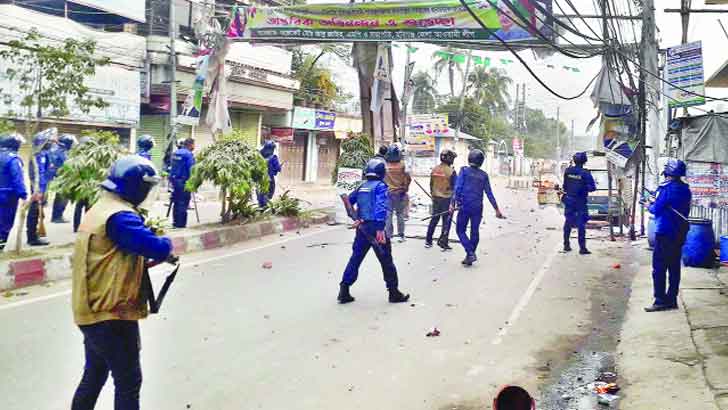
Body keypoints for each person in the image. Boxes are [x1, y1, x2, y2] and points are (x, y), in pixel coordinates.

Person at [71, 155, 174, 410]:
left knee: (95, 374)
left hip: (91, 308)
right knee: (128, 382)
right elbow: (154, 246)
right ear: (136, 186)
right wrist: (166, 245)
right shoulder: (120, 217)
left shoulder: (101, 207)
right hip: (111, 314)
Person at [338, 158, 410, 304]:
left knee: (355, 258)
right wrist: (379, 229)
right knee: (387, 261)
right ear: (382, 172)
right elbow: (381, 207)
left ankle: (344, 289)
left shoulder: (361, 186)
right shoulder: (381, 186)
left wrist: (356, 217)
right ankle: (393, 292)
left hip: (362, 228)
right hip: (376, 228)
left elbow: (348, 202)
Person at [644, 159, 692, 312]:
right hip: (680, 232)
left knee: (659, 267)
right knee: (674, 267)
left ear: (668, 173)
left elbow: (656, 209)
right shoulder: (686, 189)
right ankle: (672, 299)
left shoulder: (665, 188)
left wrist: (648, 205)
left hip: (665, 232)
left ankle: (660, 300)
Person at [453, 149, 505, 266]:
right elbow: (489, 193)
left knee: (460, 230)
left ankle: (470, 253)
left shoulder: (464, 171)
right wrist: (497, 209)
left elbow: (457, 188)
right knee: (474, 231)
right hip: (477, 207)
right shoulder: (484, 175)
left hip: (464, 206)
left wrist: (453, 204)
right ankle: (469, 256)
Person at [561, 152, 596, 254]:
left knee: (568, 222)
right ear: (584, 161)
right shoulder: (585, 173)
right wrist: (583, 188)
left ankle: (566, 245)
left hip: (569, 199)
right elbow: (592, 188)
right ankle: (582, 248)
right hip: (580, 201)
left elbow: (565, 186)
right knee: (581, 224)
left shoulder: (568, 171)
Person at [27, 128, 56, 246]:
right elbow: (38, 174)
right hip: (38, 188)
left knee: (38, 212)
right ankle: (32, 238)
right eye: (48, 141)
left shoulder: (42, 154)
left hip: (41, 188)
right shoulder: (38, 155)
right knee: (34, 212)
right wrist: (38, 190)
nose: (50, 143)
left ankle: (34, 235)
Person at [425, 149, 457, 250]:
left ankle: (428, 240)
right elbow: (455, 187)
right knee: (446, 221)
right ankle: (443, 241)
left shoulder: (434, 169)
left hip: (435, 198)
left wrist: (433, 195)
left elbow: (431, 184)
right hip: (447, 199)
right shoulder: (451, 172)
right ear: (449, 159)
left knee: (434, 219)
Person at [0, 133, 28, 250]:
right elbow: (17, 178)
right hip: (7, 196)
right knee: (5, 223)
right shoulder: (13, 159)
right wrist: (23, 194)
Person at [383, 144, 411, 242]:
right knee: (400, 214)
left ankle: (388, 235)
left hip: (388, 193)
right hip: (400, 193)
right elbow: (407, 178)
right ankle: (401, 234)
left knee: (388, 214)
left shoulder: (385, 166)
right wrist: (405, 189)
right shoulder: (402, 165)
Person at [169, 138, 195, 229]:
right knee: (183, 203)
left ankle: (175, 222)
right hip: (183, 182)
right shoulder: (188, 155)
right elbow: (192, 169)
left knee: (176, 201)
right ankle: (181, 224)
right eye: (193, 145)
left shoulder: (176, 152)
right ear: (190, 145)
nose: (194, 147)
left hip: (174, 180)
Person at [50, 133, 77, 223]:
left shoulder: (56, 149)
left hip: (58, 178)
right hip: (63, 179)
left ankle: (56, 216)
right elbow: (67, 166)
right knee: (62, 199)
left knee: (59, 198)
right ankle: (57, 217)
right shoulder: (63, 153)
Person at [73, 136, 94, 233]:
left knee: (79, 206)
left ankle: (76, 227)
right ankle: (84, 227)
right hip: (88, 185)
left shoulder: (76, 155)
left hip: (80, 184)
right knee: (87, 207)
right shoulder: (92, 155)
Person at [257, 140, 282, 208]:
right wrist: (279, 167)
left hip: (259, 179)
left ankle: (261, 206)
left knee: (260, 194)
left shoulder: (258, 155)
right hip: (269, 179)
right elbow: (278, 169)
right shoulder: (273, 158)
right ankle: (265, 206)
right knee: (269, 193)